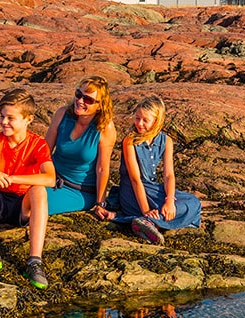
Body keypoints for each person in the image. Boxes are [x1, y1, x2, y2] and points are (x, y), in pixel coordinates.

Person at [0, 88, 55, 289]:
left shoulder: (38, 144)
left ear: (28, 119)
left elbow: (50, 178)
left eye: (10, 118)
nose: (4, 122)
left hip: (21, 206)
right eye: (2, 116)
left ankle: (34, 261)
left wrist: (12, 178)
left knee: (39, 190)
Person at [110, 96, 201, 245]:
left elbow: (169, 175)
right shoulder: (130, 141)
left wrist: (170, 200)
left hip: (152, 188)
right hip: (133, 192)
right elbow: (135, 179)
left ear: (157, 121)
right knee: (181, 210)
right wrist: (146, 210)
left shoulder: (166, 141)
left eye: (145, 120)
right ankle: (149, 219)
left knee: (194, 202)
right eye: (137, 118)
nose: (139, 123)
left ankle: (150, 223)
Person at [44, 76, 117, 219]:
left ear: (100, 105)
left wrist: (100, 203)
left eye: (88, 100)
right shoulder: (62, 114)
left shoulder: (105, 128)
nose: (80, 101)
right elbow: (44, 152)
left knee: (32, 204)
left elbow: (102, 169)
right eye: (79, 94)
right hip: (50, 178)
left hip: (78, 191)